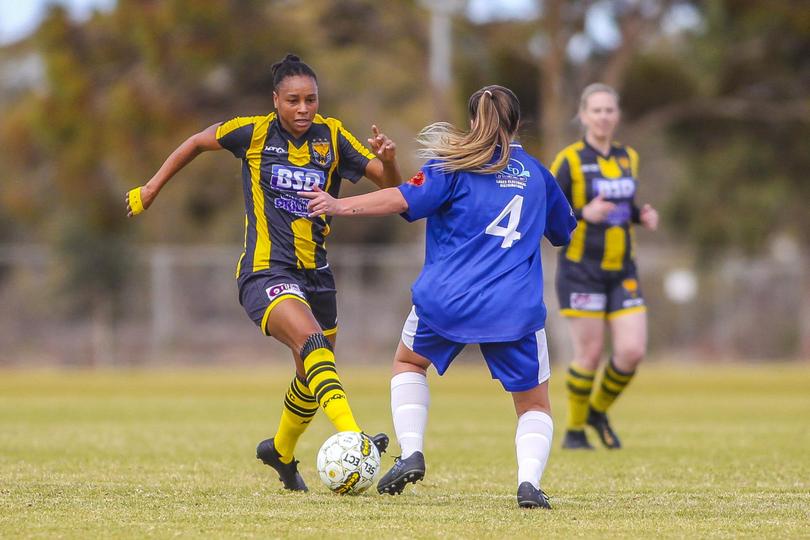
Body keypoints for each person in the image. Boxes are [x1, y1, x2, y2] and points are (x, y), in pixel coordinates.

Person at [125, 54, 401, 491]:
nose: (303, 108)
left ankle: (281, 451)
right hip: (265, 271)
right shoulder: (252, 132)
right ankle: (353, 435)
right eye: (293, 100)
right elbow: (196, 142)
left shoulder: (333, 136)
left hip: (318, 276)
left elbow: (391, 188)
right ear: (276, 100)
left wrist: (388, 162)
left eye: (311, 99)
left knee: (310, 372)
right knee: (314, 345)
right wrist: (152, 187)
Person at [300, 85, 577, 509]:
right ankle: (527, 485)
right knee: (534, 403)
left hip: (447, 301)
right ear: (518, 123)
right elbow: (563, 233)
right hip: (513, 308)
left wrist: (338, 205)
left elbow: (400, 199)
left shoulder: (451, 165)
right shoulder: (538, 174)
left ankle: (412, 452)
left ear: (472, 121)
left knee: (409, 362)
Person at [550, 83, 659, 451]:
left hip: (622, 268)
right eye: (596, 110)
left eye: (609, 110)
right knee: (591, 354)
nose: (603, 116)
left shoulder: (628, 156)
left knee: (631, 352)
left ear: (618, 115)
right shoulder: (568, 159)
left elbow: (624, 205)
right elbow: (548, 210)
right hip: (582, 269)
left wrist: (641, 215)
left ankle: (597, 410)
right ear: (583, 115)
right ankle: (575, 432)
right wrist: (583, 214)